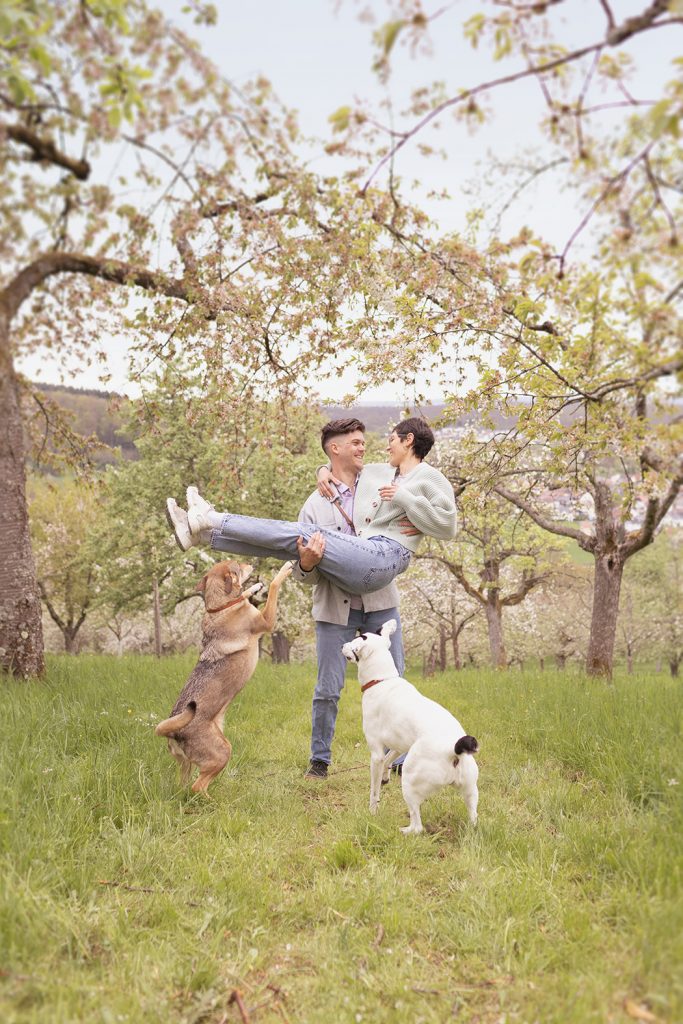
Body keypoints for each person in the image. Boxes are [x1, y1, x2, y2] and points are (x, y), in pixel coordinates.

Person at [165, 417, 457, 597]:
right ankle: (202, 535)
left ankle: (211, 517)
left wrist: (407, 500)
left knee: (307, 531)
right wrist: (322, 470)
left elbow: (448, 526)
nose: (386, 447)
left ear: (408, 441)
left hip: (386, 556)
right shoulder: (382, 472)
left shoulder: (429, 477)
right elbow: (344, 466)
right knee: (294, 543)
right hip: (367, 554)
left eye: (392, 440)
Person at [292, 418, 410, 780]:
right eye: (355, 442)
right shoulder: (313, 506)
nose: (363, 447)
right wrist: (307, 564)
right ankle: (320, 761)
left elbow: (413, 472)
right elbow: (298, 574)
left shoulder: (379, 488)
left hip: (381, 604)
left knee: (396, 681)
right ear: (335, 449)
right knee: (328, 688)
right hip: (333, 610)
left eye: (363, 442)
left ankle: (401, 760)